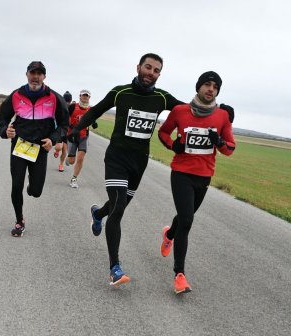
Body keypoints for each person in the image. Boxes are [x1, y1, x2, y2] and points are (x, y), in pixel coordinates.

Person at [70, 53, 234, 286]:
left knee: (118, 206)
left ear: (159, 74)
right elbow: (95, 111)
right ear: (138, 67)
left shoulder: (161, 97)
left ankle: (97, 214)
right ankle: (114, 268)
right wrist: (76, 129)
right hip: (116, 158)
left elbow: (192, 110)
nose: (151, 73)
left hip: (139, 163)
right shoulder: (121, 92)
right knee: (118, 210)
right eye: (148, 67)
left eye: (156, 70)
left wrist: (224, 110)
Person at [157, 71, 236, 293]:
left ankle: (169, 234)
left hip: (204, 176)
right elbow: (163, 133)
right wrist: (174, 146)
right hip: (181, 172)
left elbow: (230, 148)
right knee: (188, 220)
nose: (211, 89)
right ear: (198, 87)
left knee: (185, 217)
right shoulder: (180, 111)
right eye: (207, 85)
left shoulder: (222, 117)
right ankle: (179, 275)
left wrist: (219, 141)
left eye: (215, 86)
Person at [0, 61, 69, 237]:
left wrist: (53, 139)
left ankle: (32, 186)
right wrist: (5, 131)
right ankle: (19, 221)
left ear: (44, 76)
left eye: (39, 73)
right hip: (19, 147)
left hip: (40, 148)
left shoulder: (54, 98)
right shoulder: (16, 95)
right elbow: (1, 118)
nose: (36, 76)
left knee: (36, 192)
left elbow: (64, 125)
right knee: (16, 186)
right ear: (27, 74)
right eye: (32, 73)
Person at [62, 89, 98, 188]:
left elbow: (93, 121)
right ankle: (68, 160)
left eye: (87, 96)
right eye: (83, 95)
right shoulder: (73, 106)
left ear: (89, 98)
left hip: (83, 136)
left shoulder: (91, 109)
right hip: (72, 136)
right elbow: (64, 117)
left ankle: (74, 179)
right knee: (71, 161)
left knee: (81, 158)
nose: (85, 97)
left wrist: (94, 123)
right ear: (80, 96)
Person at [54, 91, 73, 172]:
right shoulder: (59, 106)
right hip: (60, 130)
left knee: (65, 150)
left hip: (68, 132)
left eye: (68, 101)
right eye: (66, 101)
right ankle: (57, 150)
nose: (67, 103)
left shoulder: (72, 108)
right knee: (58, 147)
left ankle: (61, 165)